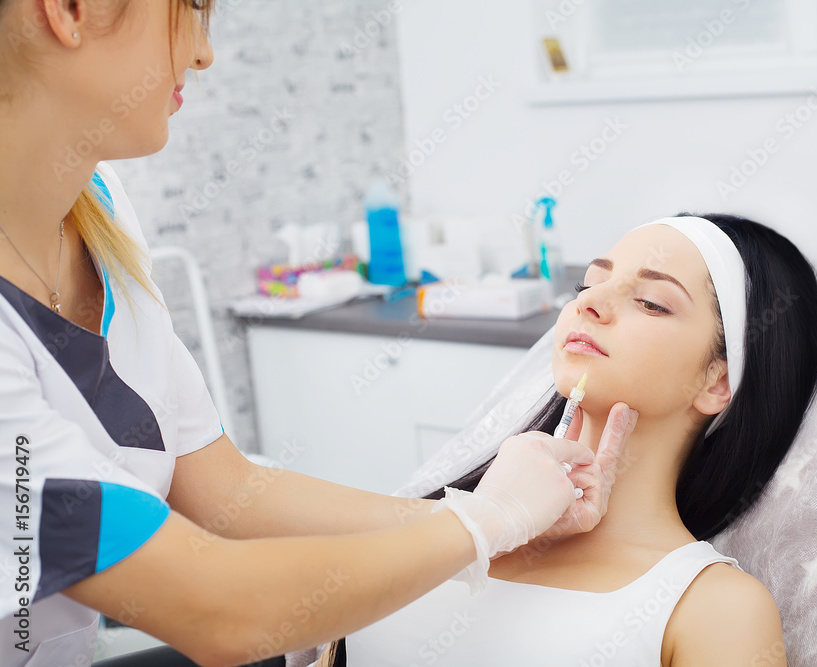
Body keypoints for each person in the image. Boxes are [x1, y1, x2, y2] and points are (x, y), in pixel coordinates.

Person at [0, 2, 637, 665]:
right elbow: (219, 609)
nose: (202, 53)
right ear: (72, 10)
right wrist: (485, 521)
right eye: (189, 7)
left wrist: (492, 520)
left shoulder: (100, 208)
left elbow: (223, 492)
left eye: (651, 300)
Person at [336, 214, 817, 665]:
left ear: (716, 381)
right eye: (588, 283)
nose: (588, 302)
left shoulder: (716, 609)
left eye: (651, 302)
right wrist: (489, 518)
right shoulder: (444, 526)